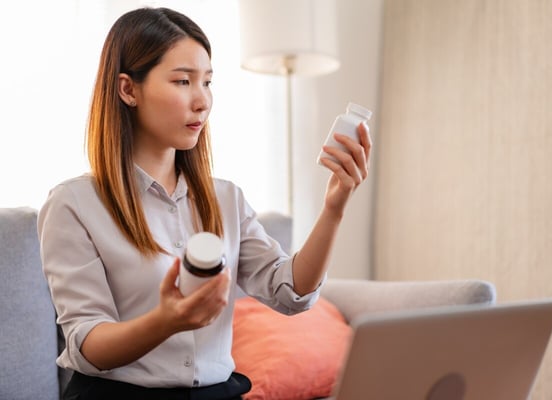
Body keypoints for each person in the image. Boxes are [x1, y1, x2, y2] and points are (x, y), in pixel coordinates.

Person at [37, 6, 371, 400]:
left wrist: (334, 208)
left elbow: (291, 292)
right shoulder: (74, 204)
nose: (202, 102)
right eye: (183, 81)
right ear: (128, 89)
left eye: (208, 82)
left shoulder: (225, 198)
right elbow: (87, 344)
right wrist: (165, 322)